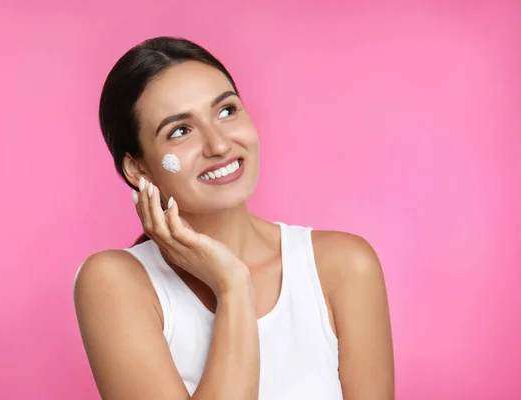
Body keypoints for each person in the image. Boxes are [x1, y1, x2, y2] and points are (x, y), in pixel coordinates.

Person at [74, 36, 394, 400]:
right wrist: (233, 286)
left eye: (226, 111)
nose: (220, 145)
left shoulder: (344, 266)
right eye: (180, 131)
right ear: (137, 169)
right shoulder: (117, 282)